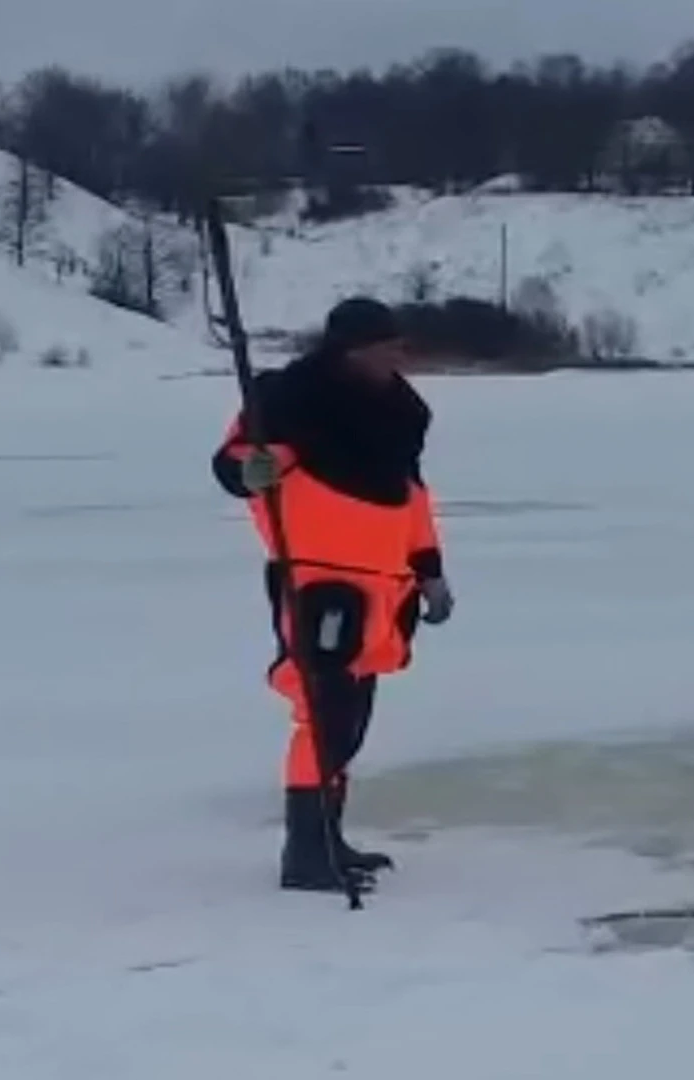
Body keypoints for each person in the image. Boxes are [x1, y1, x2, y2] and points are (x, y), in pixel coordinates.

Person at [211, 297, 455, 894]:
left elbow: (412, 497)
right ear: (352, 350)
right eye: (386, 345)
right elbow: (240, 460)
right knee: (324, 715)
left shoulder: (401, 413)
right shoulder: (298, 400)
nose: (399, 354)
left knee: (351, 721)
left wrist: (429, 569)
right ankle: (305, 854)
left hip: (382, 585)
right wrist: (249, 471)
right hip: (320, 581)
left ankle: (328, 836)